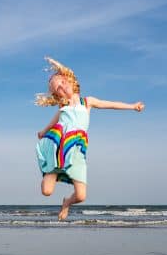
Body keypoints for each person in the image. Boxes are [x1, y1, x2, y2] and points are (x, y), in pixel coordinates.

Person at [35, 57, 144, 220]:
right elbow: (53, 123)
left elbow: (111, 104)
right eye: (58, 88)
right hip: (58, 149)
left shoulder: (87, 102)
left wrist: (132, 106)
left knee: (80, 196)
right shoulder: (62, 108)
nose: (62, 87)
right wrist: (43, 132)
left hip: (77, 149)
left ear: (70, 80)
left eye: (63, 82)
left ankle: (66, 203)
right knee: (46, 191)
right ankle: (56, 172)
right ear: (57, 95)